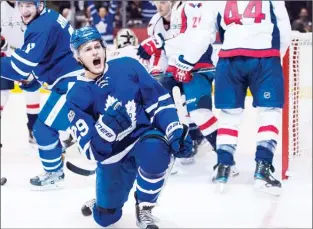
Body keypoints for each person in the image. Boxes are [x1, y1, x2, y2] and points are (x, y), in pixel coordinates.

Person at [157, 1, 291, 195]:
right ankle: (263, 168)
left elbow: (205, 33)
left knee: (229, 115)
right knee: (269, 112)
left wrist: (186, 61)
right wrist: (277, 56)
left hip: (229, 59)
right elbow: (283, 28)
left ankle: (223, 167)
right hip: (264, 56)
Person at [66, 26, 193, 228]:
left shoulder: (127, 66)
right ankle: (101, 203)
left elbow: (158, 102)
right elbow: (90, 151)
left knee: (157, 149)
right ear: (78, 58)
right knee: (106, 219)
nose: (95, 52)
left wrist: (174, 130)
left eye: (97, 46)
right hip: (112, 155)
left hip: (142, 138)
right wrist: (104, 133)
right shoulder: (75, 95)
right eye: (87, 49)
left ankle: (145, 207)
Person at [0, 0, 82, 189]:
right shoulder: (47, 19)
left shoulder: (40, 26)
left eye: (30, 5)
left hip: (73, 84)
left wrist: (27, 76)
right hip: (70, 81)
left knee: (44, 128)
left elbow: (20, 68)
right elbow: (52, 54)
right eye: (22, 5)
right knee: (45, 127)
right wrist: (34, 81)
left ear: (40, 5)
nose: (25, 10)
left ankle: (54, 172)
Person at [137, 1, 220, 166]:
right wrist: (156, 74)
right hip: (174, 69)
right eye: (156, 3)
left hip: (198, 66)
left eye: (162, 2)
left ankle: (224, 156)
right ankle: (166, 150)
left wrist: (161, 41)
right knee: (154, 104)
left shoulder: (191, 7)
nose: (159, 7)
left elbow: (196, 38)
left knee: (199, 112)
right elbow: (159, 54)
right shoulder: (156, 22)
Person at [1, 0, 40, 144]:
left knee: (33, 94)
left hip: (25, 56)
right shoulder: (1, 8)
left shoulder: (27, 5)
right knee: (2, 96)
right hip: (4, 56)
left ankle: (33, 130)